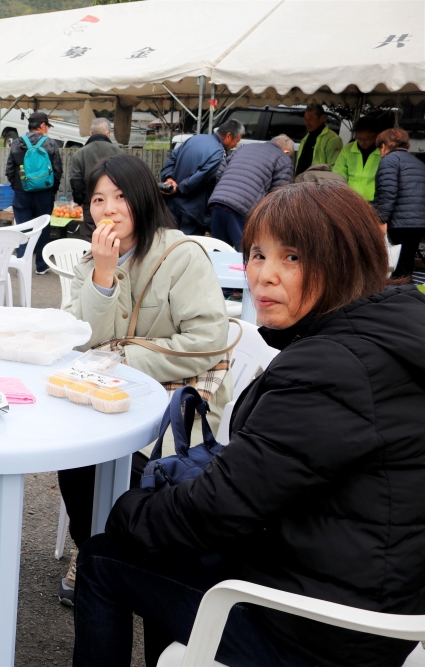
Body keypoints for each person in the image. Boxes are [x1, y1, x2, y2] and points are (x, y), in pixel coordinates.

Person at [72, 182, 425, 667]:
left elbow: (219, 510)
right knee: (159, 545)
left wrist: (128, 512)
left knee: (104, 556)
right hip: (383, 592)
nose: (265, 277)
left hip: (323, 630)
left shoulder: (330, 367)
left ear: (347, 259)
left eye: (293, 258)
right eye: (258, 255)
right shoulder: (397, 329)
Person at [57, 154, 231, 607]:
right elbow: (82, 337)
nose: (108, 208)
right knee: (75, 453)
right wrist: (102, 273)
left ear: (143, 198)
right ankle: (90, 544)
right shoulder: (90, 260)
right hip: (113, 389)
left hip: (180, 396)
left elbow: (208, 341)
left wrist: (124, 359)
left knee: (133, 466)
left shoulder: (180, 254)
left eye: (120, 196)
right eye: (98, 199)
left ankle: (127, 554)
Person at [208, 134, 293, 250]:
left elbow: (220, 172)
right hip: (242, 208)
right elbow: (278, 195)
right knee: (245, 254)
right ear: (286, 151)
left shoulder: (245, 148)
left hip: (217, 202)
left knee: (218, 250)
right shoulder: (284, 159)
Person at [159, 119, 243, 236]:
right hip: (192, 210)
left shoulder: (194, 138)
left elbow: (172, 159)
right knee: (187, 248)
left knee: (167, 242)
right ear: (229, 136)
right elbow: (202, 176)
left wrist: (169, 178)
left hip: (172, 205)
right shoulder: (219, 152)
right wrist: (179, 188)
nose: (235, 145)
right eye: (236, 141)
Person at [5, 111, 63, 274]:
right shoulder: (50, 144)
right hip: (44, 193)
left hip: (22, 192)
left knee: (24, 229)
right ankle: (41, 265)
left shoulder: (17, 143)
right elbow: (57, 170)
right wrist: (52, 190)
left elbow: (9, 169)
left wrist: (17, 186)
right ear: (43, 125)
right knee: (43, 228)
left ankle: (21, 265)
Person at [374, 127, 425, 278]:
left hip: (399, 222)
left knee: (393, 264)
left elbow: (387, 192)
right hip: (418, 223)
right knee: (406, 262)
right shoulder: (419, 163)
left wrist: (380, 220)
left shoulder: (389, 161)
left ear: (383, 146)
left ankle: (393, 295)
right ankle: (405, 295)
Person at [68, 117, 125, 240]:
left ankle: (94, 258)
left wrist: (80, 201)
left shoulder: (80, 153)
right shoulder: (119, 152)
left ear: (91, 133)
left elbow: (75, 181)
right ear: (107, 133)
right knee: (114, 232)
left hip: (91, 200)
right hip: (116, 201)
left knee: (92, 233)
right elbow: (126, 179)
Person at [333, 116, 382, 201]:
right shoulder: (348, 149)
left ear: (376, 136)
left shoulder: (383, 152)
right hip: (349, 199)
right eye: (359, 139)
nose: (362, 142)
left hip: (374, 201)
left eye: (367, 139)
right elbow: (338, 174)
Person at [294, 103, 342, 175]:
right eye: (305, 119)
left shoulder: (333, 139)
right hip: (301, 182)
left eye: (310, 118)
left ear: (322, 118)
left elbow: (334, 168)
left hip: (318, 184)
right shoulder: (305, 139)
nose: (307, 123)